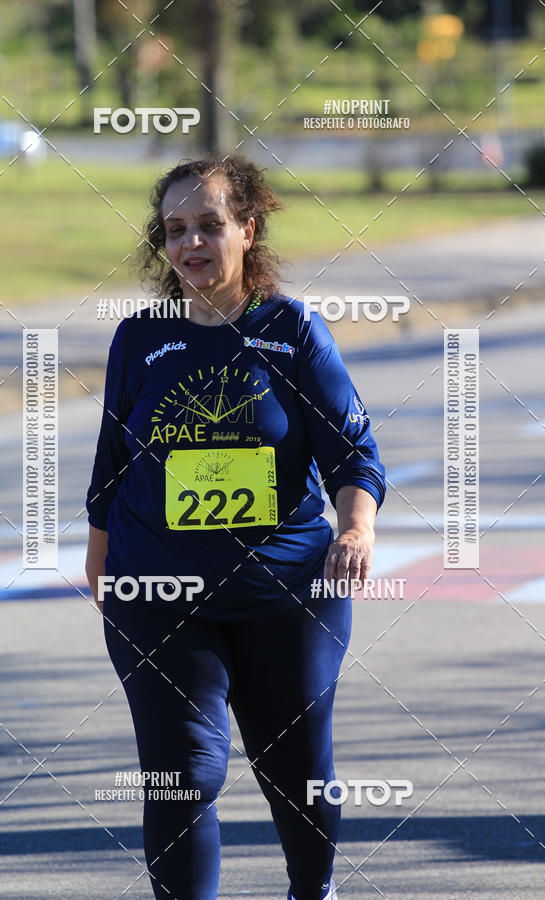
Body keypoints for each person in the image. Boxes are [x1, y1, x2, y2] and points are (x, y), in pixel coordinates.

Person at [85, 155, 386, 900]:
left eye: (209, 225)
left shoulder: (293, 331)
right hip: (157, 593)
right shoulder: (140, 337)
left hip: (287, 593)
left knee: (297, 777)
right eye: (175, 228)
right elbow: (112, 470)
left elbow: (354, 455)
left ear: (248, 230)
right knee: (183, 777)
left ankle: (312, 891)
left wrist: (355, 530)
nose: (191, 243)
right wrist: (103, 569)